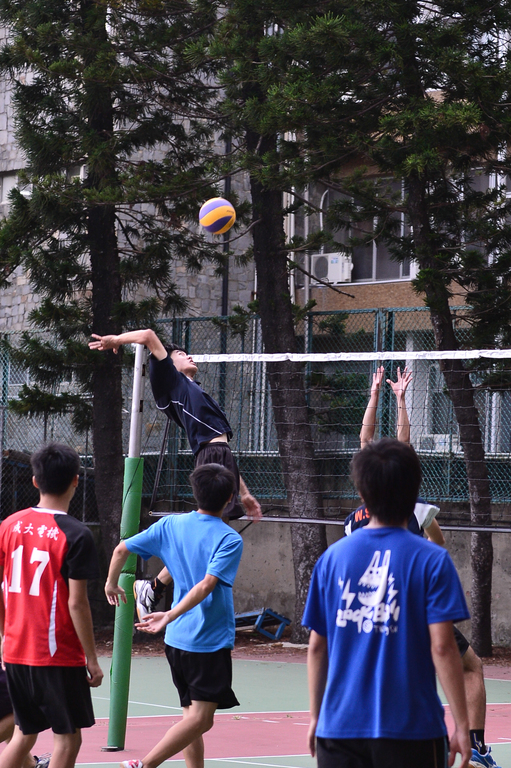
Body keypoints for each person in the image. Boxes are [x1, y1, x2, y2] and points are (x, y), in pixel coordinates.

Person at [357, 366, 498, 768]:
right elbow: (392, 445)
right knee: (467, 666)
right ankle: (474, 744)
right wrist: (397, 399)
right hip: (414, 609)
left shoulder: (355, 523)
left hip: (372, 611)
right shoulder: (416, 511)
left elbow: (372, 442)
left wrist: (379, 397)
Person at [303, 438, 472, 768]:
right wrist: (463, 726)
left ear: (361, 493)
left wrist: (315, 716)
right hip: (412, 730)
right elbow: (442, 647)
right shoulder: (432, 560)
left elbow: (317, 647)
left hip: (339, 729)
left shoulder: (331, 560)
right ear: (415, 493)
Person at [89, 328, 261, 619]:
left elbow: (223, 449)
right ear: (168, 362)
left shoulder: (195, 390)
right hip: (210, 455)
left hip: (220, 455)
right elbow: (148, 335)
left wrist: (244, 493)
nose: (189, 356)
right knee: (212, 534)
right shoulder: (172, 381)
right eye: (181, 353)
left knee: (216, 535)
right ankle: (157, 587)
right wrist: (116, 340)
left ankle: (155, 587)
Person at [105, 463, 243, 768]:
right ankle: (144, 765)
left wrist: (111, 583)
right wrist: (168, 614)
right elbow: (206, 585)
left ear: (194, 493)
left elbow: (120, 550)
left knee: (191, 718)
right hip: (207, 640)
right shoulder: (229, 539)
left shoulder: (170, 525)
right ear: (230, 498)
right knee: (201, 720)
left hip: (177, 641)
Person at [0, 443, 103, 768]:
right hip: (56, 654)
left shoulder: (9, 525)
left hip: (15, 649)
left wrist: (4, 635)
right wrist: (91, 658)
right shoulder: (76, 534)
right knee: (68, 739)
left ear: (34, 481)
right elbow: (77, 603)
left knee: (23, 735)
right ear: (76, 480)